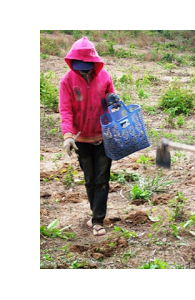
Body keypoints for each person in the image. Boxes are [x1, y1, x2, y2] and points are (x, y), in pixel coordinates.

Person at [59, 36, 117, 236]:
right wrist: (68, 135)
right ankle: (95, 214)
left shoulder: (105, 77)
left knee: (102, 179)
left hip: (103, 136)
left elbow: (113, 101)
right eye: (79, 66)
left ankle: (98, 220)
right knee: (90, 179)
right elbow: (65, 110)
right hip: (81, 139)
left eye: (86, 66)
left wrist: (114, 102)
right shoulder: (67, 81)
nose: (83, 70)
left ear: (94, 63)